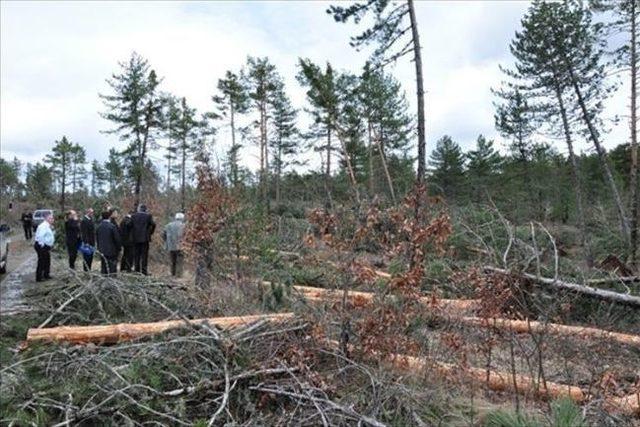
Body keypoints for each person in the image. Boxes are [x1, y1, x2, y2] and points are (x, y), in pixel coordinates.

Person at [131, 204, 156, 275]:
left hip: (135, 238)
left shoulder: (133, 216)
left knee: (136, 255)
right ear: (145, 209)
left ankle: (137, 271)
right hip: (145, 238)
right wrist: (150, 233)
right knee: (144, 256)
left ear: (139, 209)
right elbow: (153, 224)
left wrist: (133, 233)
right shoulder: (148, 216)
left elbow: (130, 225)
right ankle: (144, 271)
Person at [96, 211, 121, 275]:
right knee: (112, 267)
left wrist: (99, 248)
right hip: (112, 250)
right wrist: (119, 248)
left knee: (104, 267)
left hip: (102, 250)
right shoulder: (112, 226)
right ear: (109, 217)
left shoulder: (99, 227)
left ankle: (104, 280)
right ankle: (112, 281)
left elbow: (97, 239)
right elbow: (117, 239)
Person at [163, 213, 185, 277]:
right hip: (181, 246)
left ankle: (173, 274)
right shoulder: (184, 226)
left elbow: (164, 234)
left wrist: (167, 241)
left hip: (171, 246)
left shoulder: (168, 225)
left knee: (173, 260)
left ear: (176, 218)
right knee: (180, 261)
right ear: (182, 218)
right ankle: (179, 275)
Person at [34, 213, 54, 282]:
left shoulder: (48, 226)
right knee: (42, 261)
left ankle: (46, 274)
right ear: (46, 219)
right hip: (41, 246)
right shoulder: (43, 226)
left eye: (52, 218)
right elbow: (40, 236)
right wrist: (42, 246)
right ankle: (39, 277)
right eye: (50, 218)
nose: (52, 220)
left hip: (46, 246)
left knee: (47, 260)